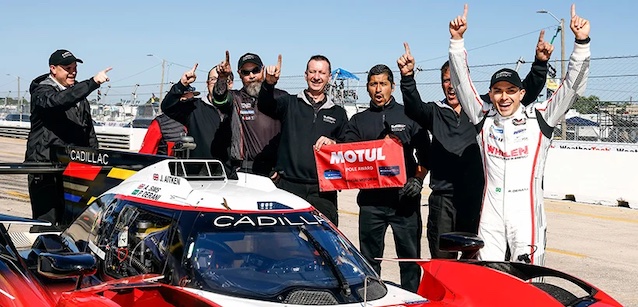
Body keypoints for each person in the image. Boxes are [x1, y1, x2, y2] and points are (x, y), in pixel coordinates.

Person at [448, 4, 590, 264]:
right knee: (487, 277)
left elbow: (571, 88)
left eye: (511, 90)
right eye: (498, 90)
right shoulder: (484, 118)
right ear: (490, 94)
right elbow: (461, 83)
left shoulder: (540, 117)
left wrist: (581, 44)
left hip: (526, 215)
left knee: (528, 280)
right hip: (490, 214)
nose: (504, 97)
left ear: (521, 94)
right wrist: (457, 42)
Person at [398, 33, 552, 259]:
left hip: (477, 199)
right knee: (443, 263)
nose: (451, 86)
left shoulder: (483, 110)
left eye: (455, 80)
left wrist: (539, 64)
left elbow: (522, 93)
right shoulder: (434, 111)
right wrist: (408, 77)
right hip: (443, 200)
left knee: (476, 263)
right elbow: (413, 108)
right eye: (446, 81)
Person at [341, 64, 429, 292]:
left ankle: (410, 301)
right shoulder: (358, 121)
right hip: (371, 204)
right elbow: (345, 154)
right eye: (373, 84)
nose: (378, 89)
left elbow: (426, 155)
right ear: (367, 88)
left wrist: (418, 180)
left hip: (404, 202)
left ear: (392, 86)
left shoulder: (409, 115)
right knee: (369, 261)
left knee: (409, 261)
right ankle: (373, 299)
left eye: (383, 84)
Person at [25, 49, 111, 230]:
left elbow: (88, 131)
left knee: (73, 223)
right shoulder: (42, 91)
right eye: (67, 68)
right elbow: (58, 101)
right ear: (53, 69)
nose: (72, 72)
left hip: (73, 168)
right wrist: (93, 83)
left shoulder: (79, 94)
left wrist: (95, 158)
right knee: (45, 223)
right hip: (44, 165)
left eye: (74, 68)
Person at [259, 54, 348, 226]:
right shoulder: (289, 103)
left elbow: (348, 146)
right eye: (312, 72)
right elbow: (265, 106)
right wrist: (269, 84)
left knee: (324, 242)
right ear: (305, 75)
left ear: (329, 77)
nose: (316, 77)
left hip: (323, 190)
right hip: (289, 186)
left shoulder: (338, 113)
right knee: (284, 240)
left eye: (321, 73)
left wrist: (334, 144)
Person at [213, 51, 284, 176]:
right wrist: (222, 78)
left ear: (263, 70)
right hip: (246, 170)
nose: (251, 76)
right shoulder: (236, 98)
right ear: (240, 75)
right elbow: (219, 99)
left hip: (276, 170)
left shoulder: (281, 97)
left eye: (255, 70)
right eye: (246, 72)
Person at [161, 64, 235, 177]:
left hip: (232, 177)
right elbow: (167, 107)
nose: (217, 83)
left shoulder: (237, 107)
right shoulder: (194, 107)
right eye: (213, 79)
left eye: (223, 78)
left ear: (230, 84)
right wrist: (181, 85)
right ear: (207, 83)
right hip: (200, 177)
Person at [139, 89, 196, 156]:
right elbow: (146, 153)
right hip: (167, 164)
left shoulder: (198, 120)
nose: (190, 104)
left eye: (192, 100)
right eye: (185, 100)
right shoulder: (160, 123)